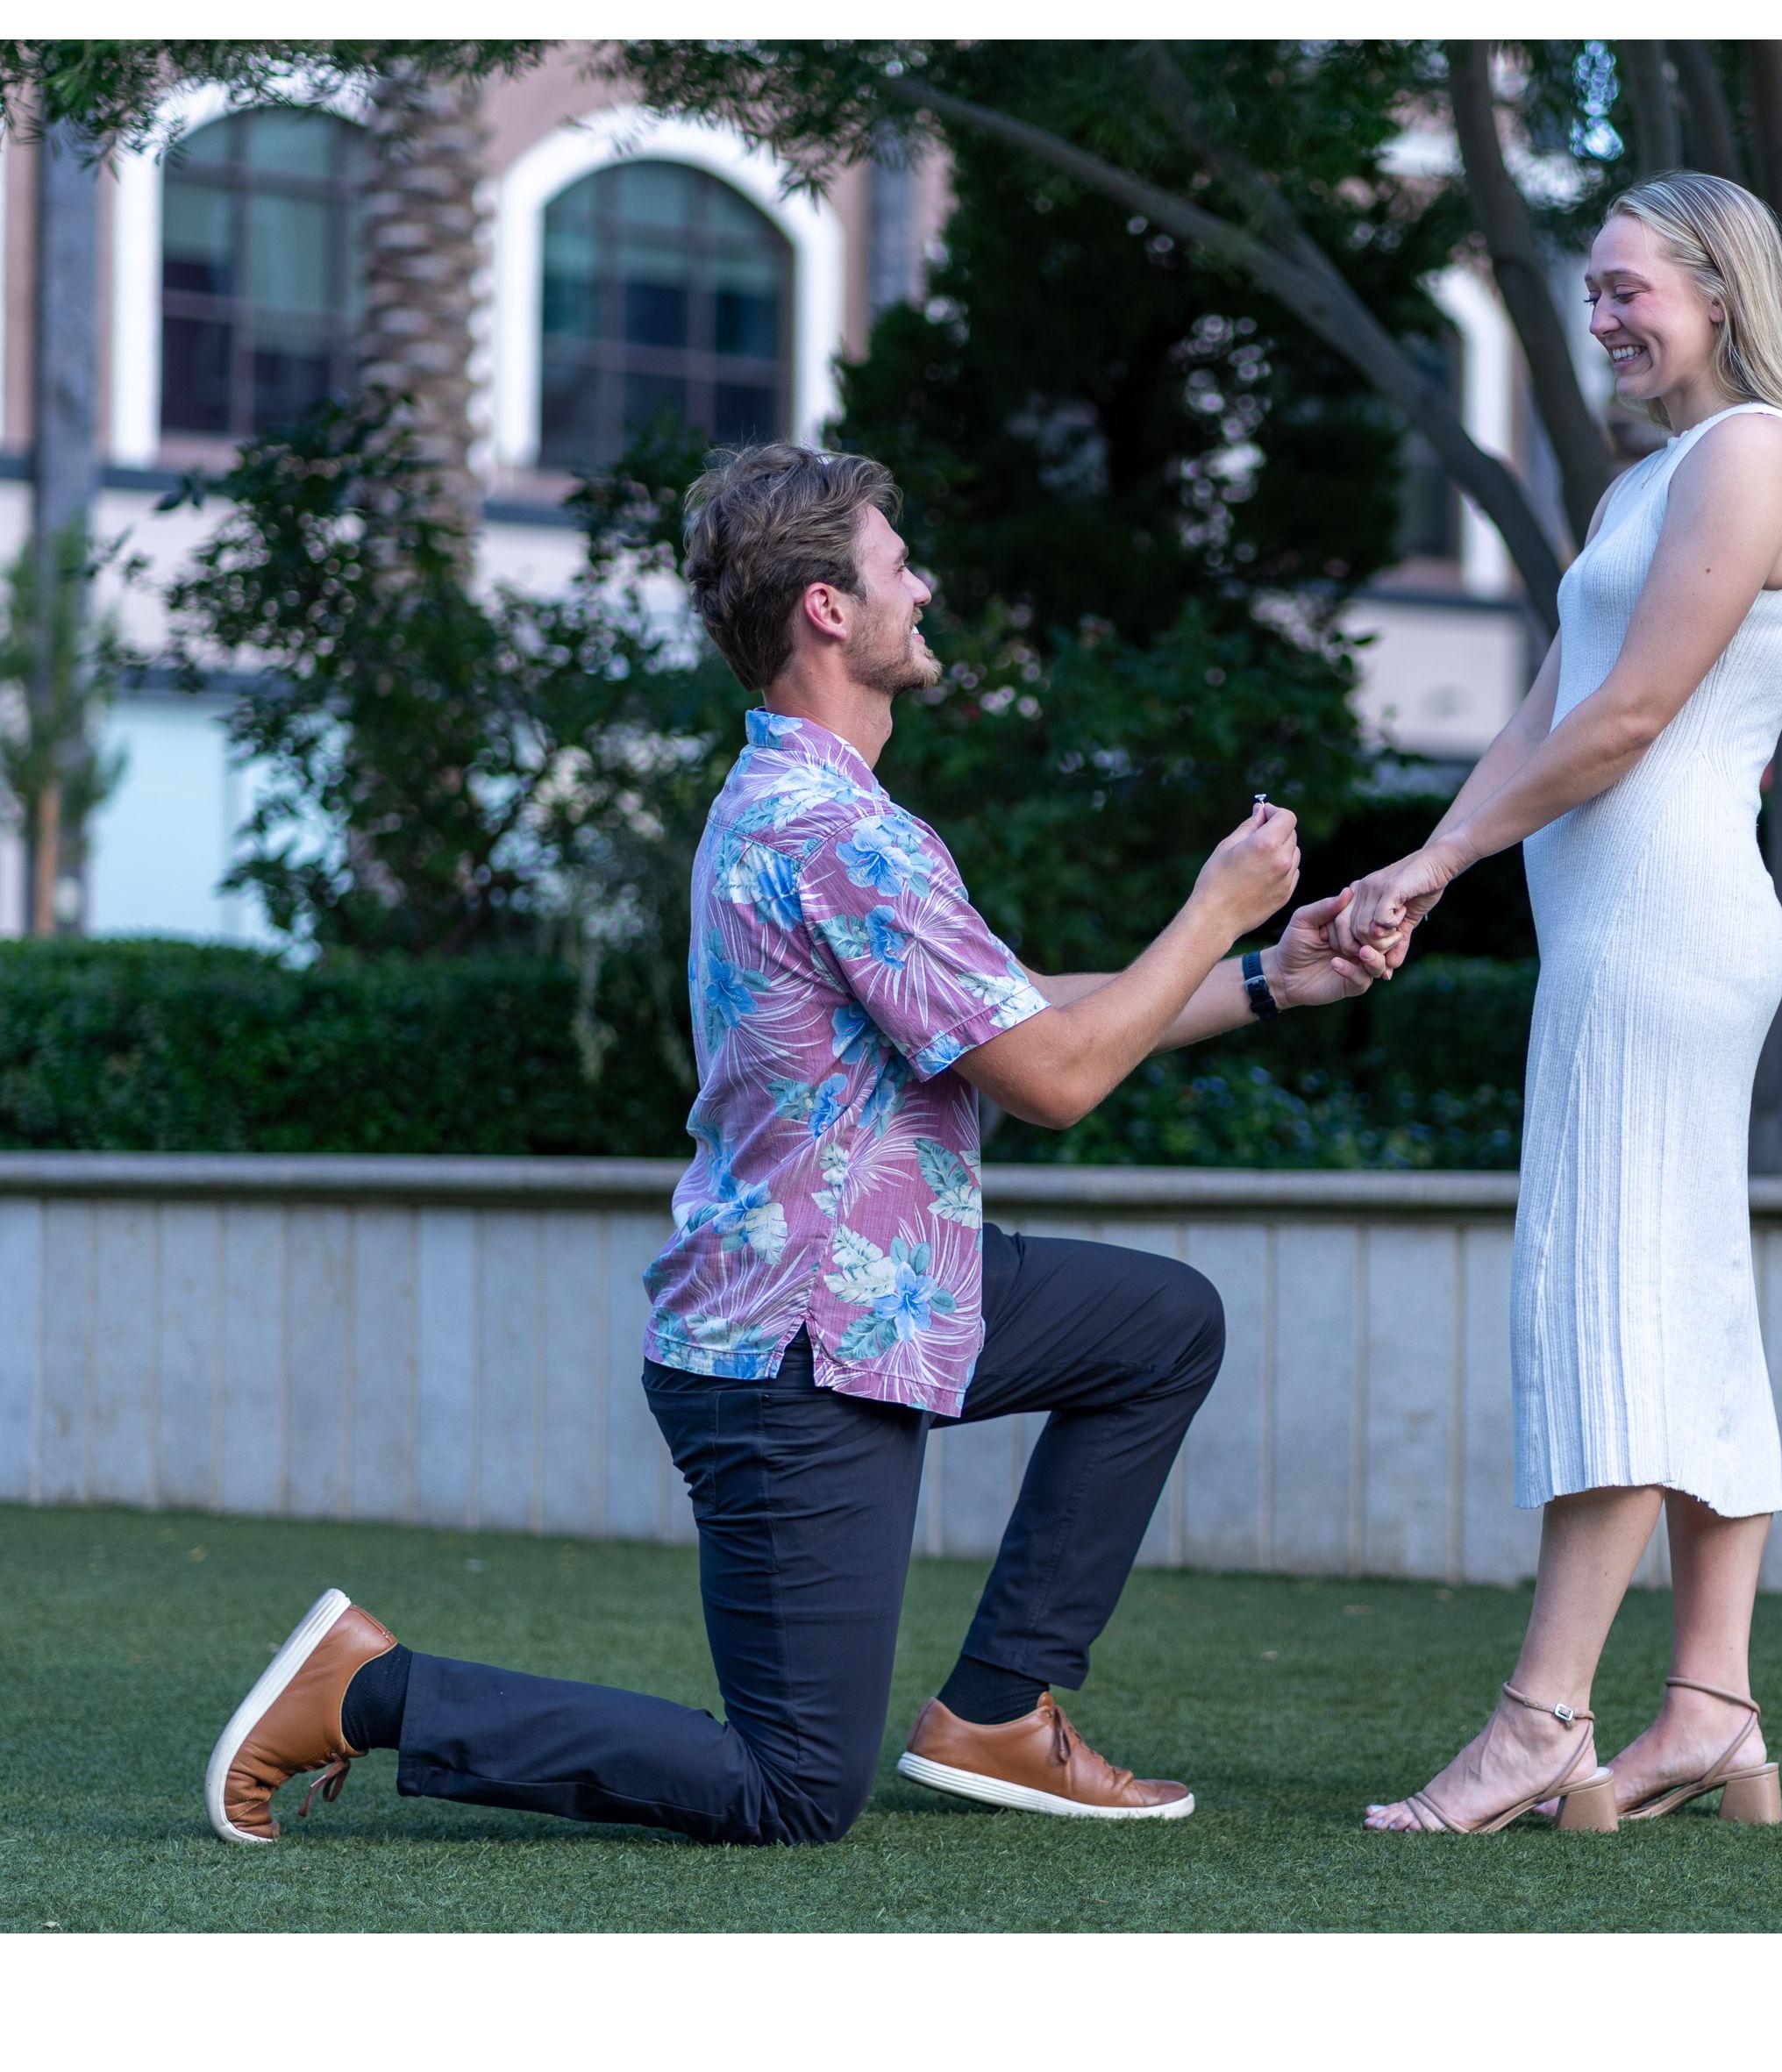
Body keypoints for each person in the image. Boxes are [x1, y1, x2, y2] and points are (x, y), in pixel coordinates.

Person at [204, 442, 1400, 1848]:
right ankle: (372, 1690)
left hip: (888, 1292)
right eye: (900, 567)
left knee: (1157, 1326)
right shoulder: (833, 833)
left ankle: (998, 1712)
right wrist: (1218, 908)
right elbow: (1057, 1080)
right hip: (790, 1358)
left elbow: (1018, 1013)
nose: (924, 588)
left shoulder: (817, 810)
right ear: (828, 608)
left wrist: (1270, 980)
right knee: (790, 1789)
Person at [1342, 173, 1782, 1835]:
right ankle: (1711, 1709)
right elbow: (1547, 714)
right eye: (1592, 290)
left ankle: (1539, 1722)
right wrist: (1425, 865)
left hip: (1664, 933)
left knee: (1612, 1301)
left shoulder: (1754, 453)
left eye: (1627, 286)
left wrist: (1443, 862)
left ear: (1720, 289)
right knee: (1684, 1303)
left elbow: (1636, 713)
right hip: (1622, 930)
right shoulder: (1653, 476)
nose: (1602, 316)